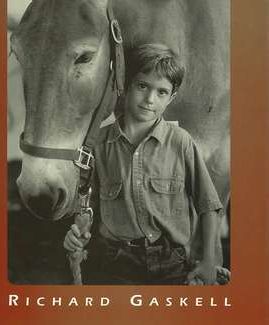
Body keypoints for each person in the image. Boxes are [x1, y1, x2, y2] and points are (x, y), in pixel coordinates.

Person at [64, 43, 223, 285]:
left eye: (161, 92)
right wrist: (77, 236)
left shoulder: (180, 142)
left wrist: (209, 261)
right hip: (115, 263)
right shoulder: (98, 144)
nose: (150, 99)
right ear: (125, 86)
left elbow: (208, 205)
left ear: (172, 98)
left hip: (173, 264)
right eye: (142, 86)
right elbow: (87, 207)